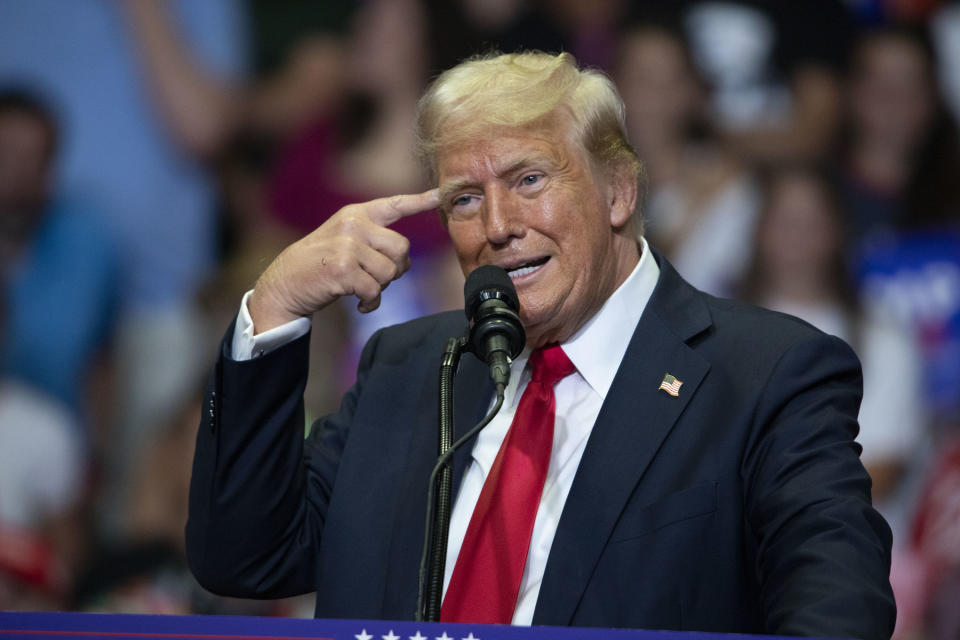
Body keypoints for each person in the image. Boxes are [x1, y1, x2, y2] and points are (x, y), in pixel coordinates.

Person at [187, 52, 895, 639]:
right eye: (465, 198)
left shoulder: (763, 373)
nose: (497, 225)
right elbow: (246, 557)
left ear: (618, 190)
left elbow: (838, 605)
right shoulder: (408, 365)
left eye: (528, 180)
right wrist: (273, 305)